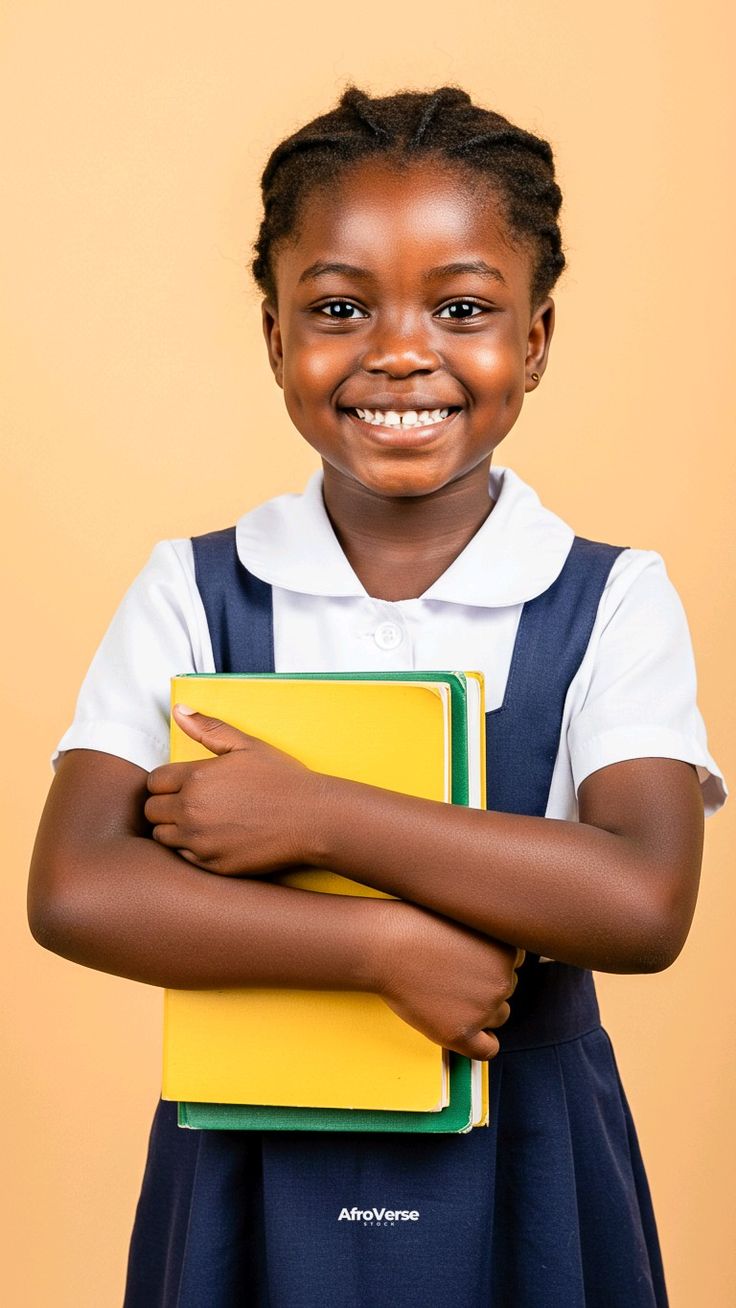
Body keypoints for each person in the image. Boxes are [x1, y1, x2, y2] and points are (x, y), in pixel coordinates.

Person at [28, 86, 727, 1307]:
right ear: (274, 336)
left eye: (461, 308)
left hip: (527, 1152)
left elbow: (640, 902)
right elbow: (76, 886)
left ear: (536, 338)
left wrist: (320, 817)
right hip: (246, 1152)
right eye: (340, 308)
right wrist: (374, 948)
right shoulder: (194, 588)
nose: (400, 352)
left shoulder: (610, 597)